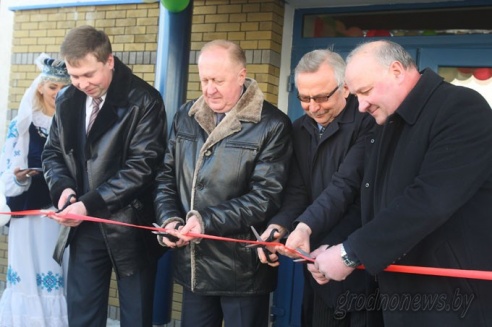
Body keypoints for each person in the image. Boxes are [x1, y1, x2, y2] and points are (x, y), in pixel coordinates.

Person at [310, 39, 492, 326]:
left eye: (366, 92)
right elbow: (373, 201)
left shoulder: (461, 108)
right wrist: (337, 244)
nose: (361, 106)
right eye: (356, 95)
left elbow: (430, 199)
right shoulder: (386, 123)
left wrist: (348, 253)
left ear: (396, 70)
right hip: (397, 297)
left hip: (454, 301)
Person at [154, 39, 293, 327]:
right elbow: (166, 177)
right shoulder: (185, 114)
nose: (208, 89)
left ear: (242, 75)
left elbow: (265, 197)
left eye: (218, 80)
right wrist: (169, 219)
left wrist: (204, 221)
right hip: (193, 263)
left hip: (242, 269)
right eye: (204, 79)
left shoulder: (273, 124)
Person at [42, 25, 167, 327]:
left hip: (131, 228)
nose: (81, 84)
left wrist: (87, 204)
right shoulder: (66, 99)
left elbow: (143, 168)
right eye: (74, 76)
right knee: (81, 315)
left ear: (109, 61)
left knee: (136, 317)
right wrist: (64, 191)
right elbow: (53, 154)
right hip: (83, 228)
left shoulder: (146, 100)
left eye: (89, 75)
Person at [258, 49, 375, 326]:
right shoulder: (299, 129)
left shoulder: (368, 122)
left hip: (357, 258)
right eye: (304, 98)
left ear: (345, 87)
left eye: (322, 97)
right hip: (316, 261)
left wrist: (305, 227)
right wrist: (281, 225)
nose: (313, 106)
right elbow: (298, 190)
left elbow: (346, 186)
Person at [0, 54, 70, 326]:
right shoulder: (22, 125)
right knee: (27, 277)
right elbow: (7, 172)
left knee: (54, 275)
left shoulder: (73, 125)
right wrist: (18, 179)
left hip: (58, 216)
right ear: (41, 86)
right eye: (52, 87)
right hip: (27, 215)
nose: (57, 93)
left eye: (63, 88)